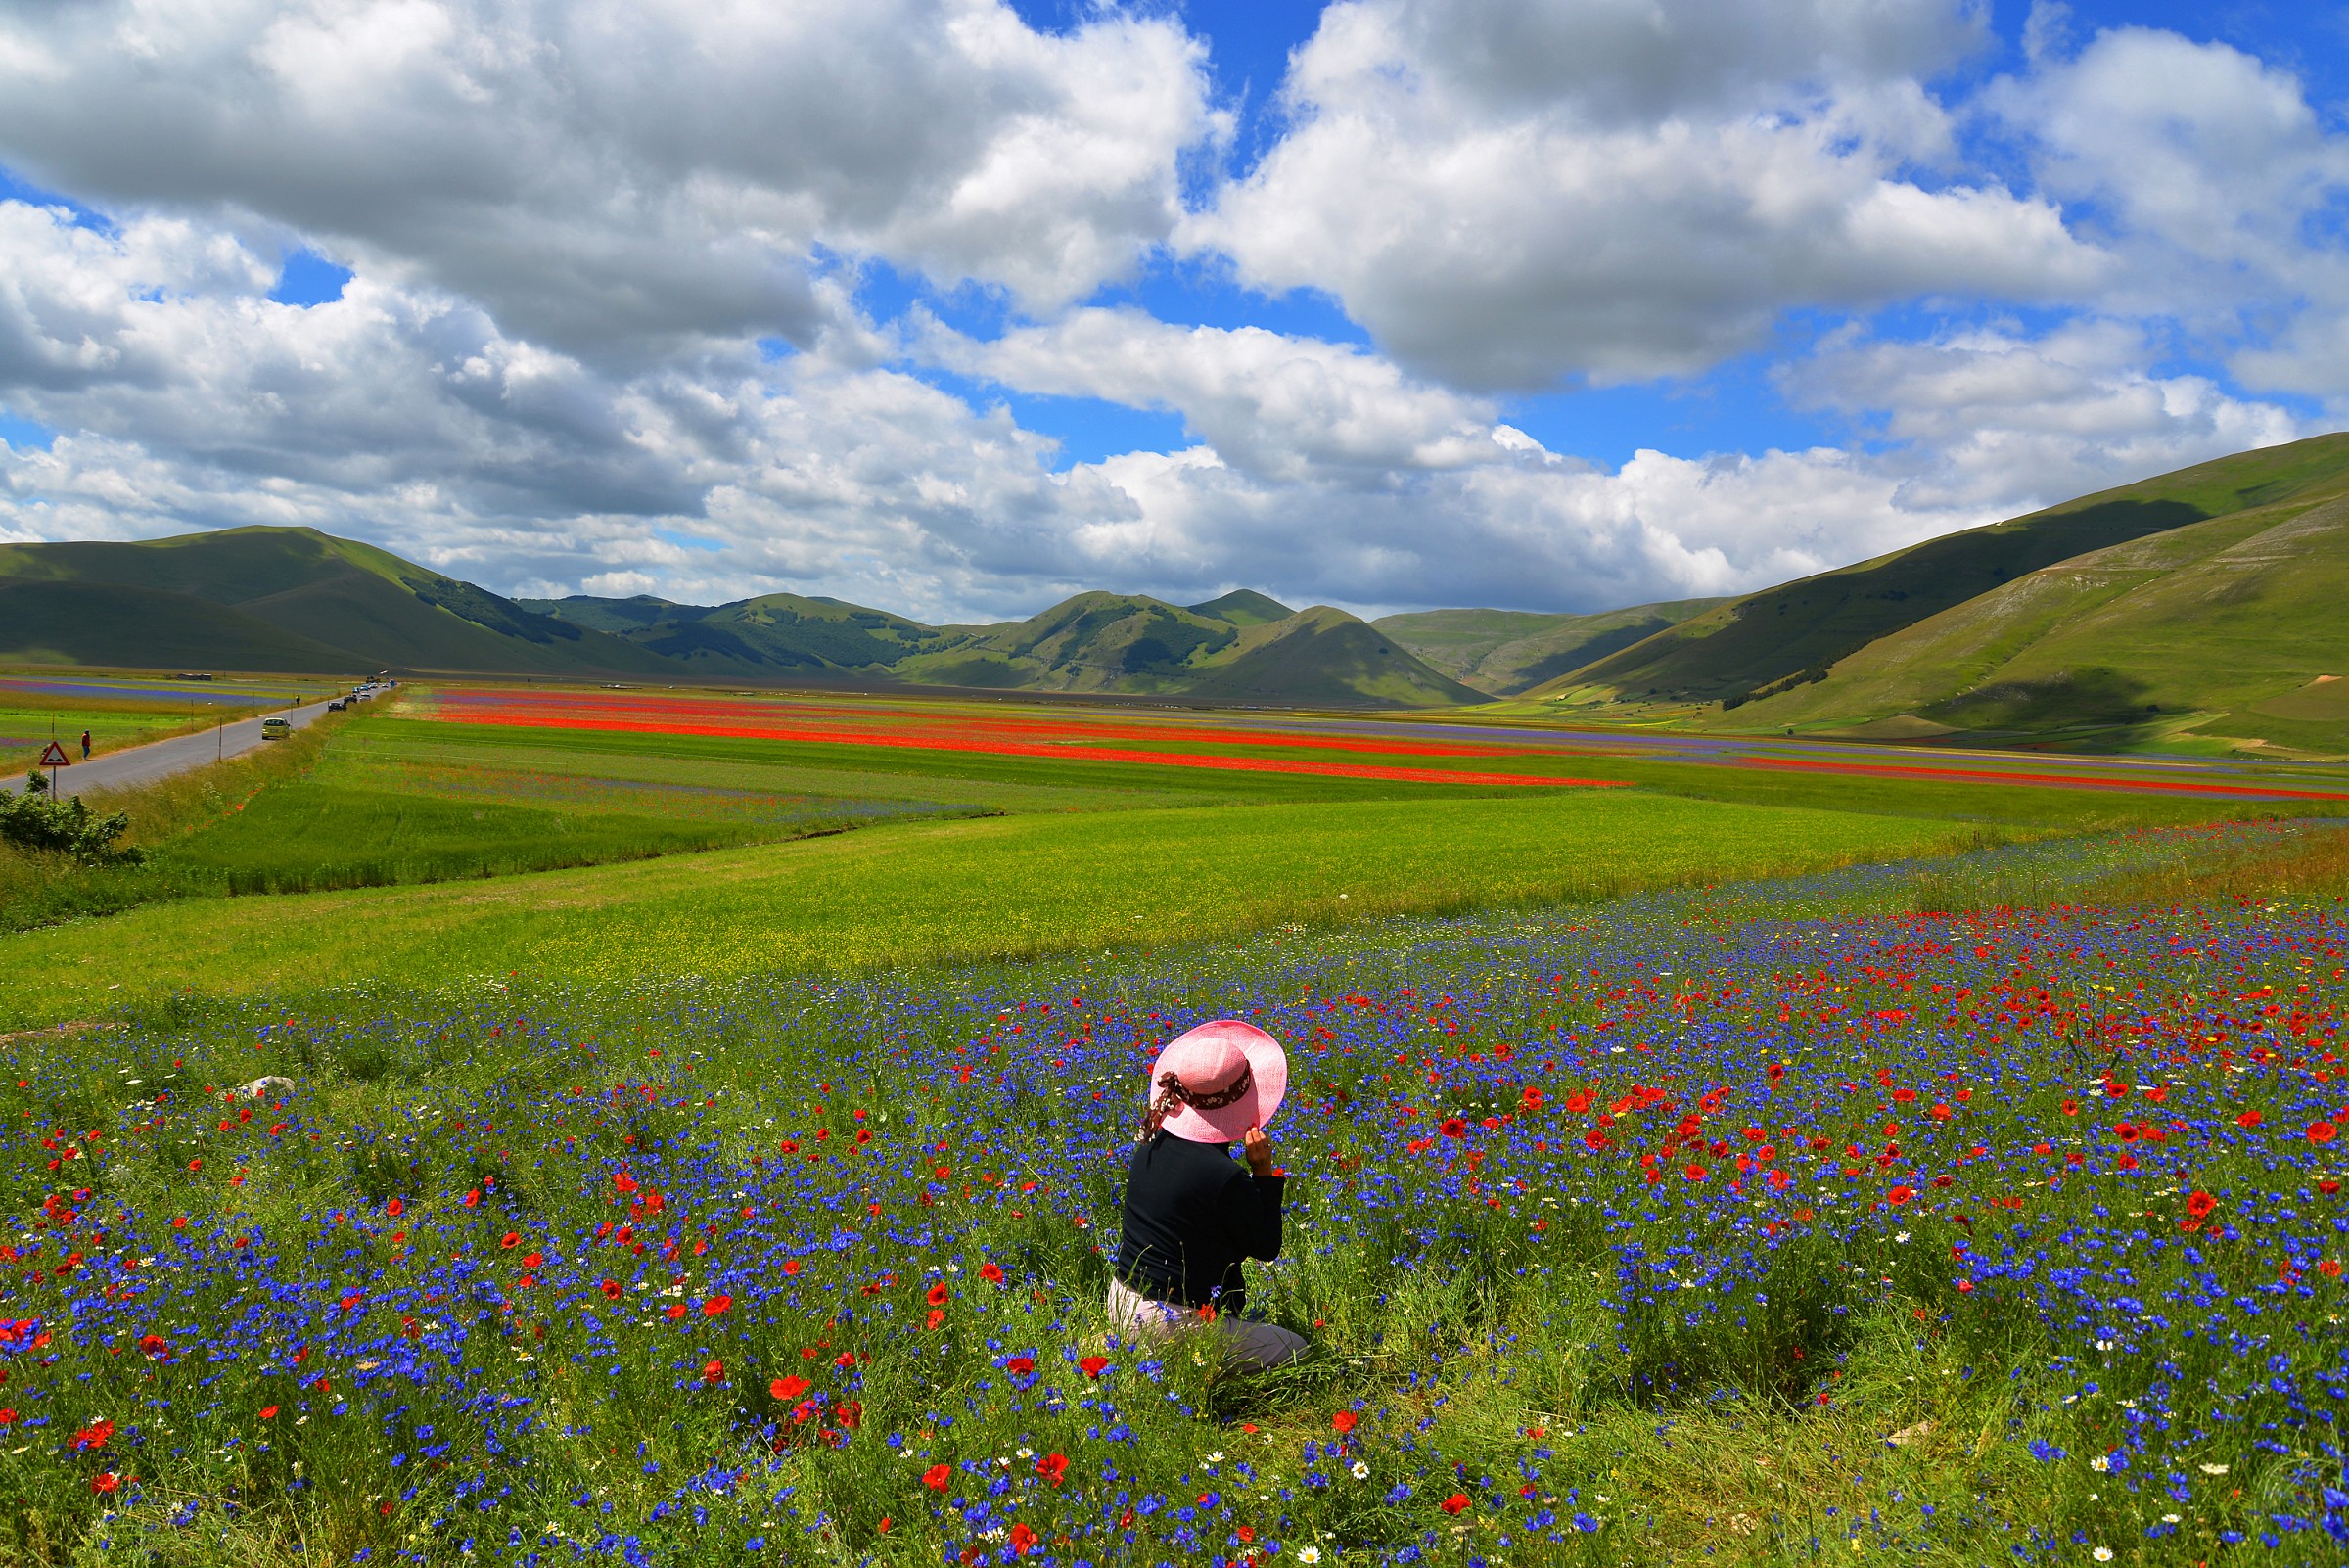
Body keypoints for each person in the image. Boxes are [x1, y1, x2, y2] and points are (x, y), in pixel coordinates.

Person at [1110, 1019, 1306, 1370]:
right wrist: (1262, 1173)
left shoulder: (1151, 1143)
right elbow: (1266, 1246)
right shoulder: (1224, 1177)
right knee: (1296, 1349)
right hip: (1168, 1324)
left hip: (1120, 1305)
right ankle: (1191, 1369)